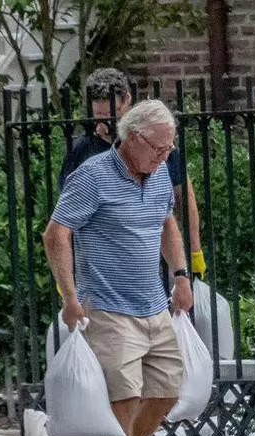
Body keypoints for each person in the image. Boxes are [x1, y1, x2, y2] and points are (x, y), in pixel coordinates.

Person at [43, 99, 193, 436]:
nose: (164, 157)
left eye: (169, 149)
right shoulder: (91, 177)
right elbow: (56, 234)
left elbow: (168, 225)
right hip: (108, 306)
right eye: (158, 148)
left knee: (166, 390)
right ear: (132, 137)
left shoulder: (158, 175)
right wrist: (69, 295)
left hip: (153, 303)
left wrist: (181, 276)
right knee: (124, 396)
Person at [59, 67, 206, 279]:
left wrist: (194, 252)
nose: (104, 122)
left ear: (127, 100)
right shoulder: (81, 152)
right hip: (102, 268)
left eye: (111, 113)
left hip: (154, 258)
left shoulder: (158, 144)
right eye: (98, 115)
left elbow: (183, 197)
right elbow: (66, 216)